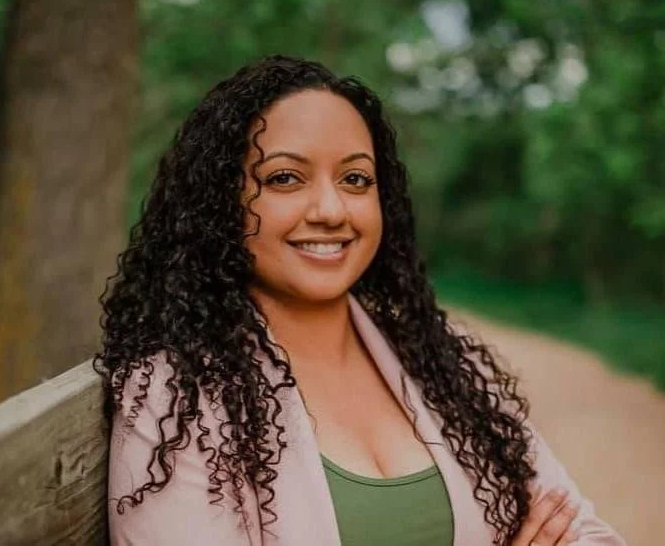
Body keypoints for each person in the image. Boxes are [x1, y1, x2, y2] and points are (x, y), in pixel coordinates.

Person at [96, 55, 625, 546]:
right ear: (220, 202)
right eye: (285, 178)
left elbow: (583, 530)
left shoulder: (443, 361)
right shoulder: (177, 395)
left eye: (355, 179)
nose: (331, 209)